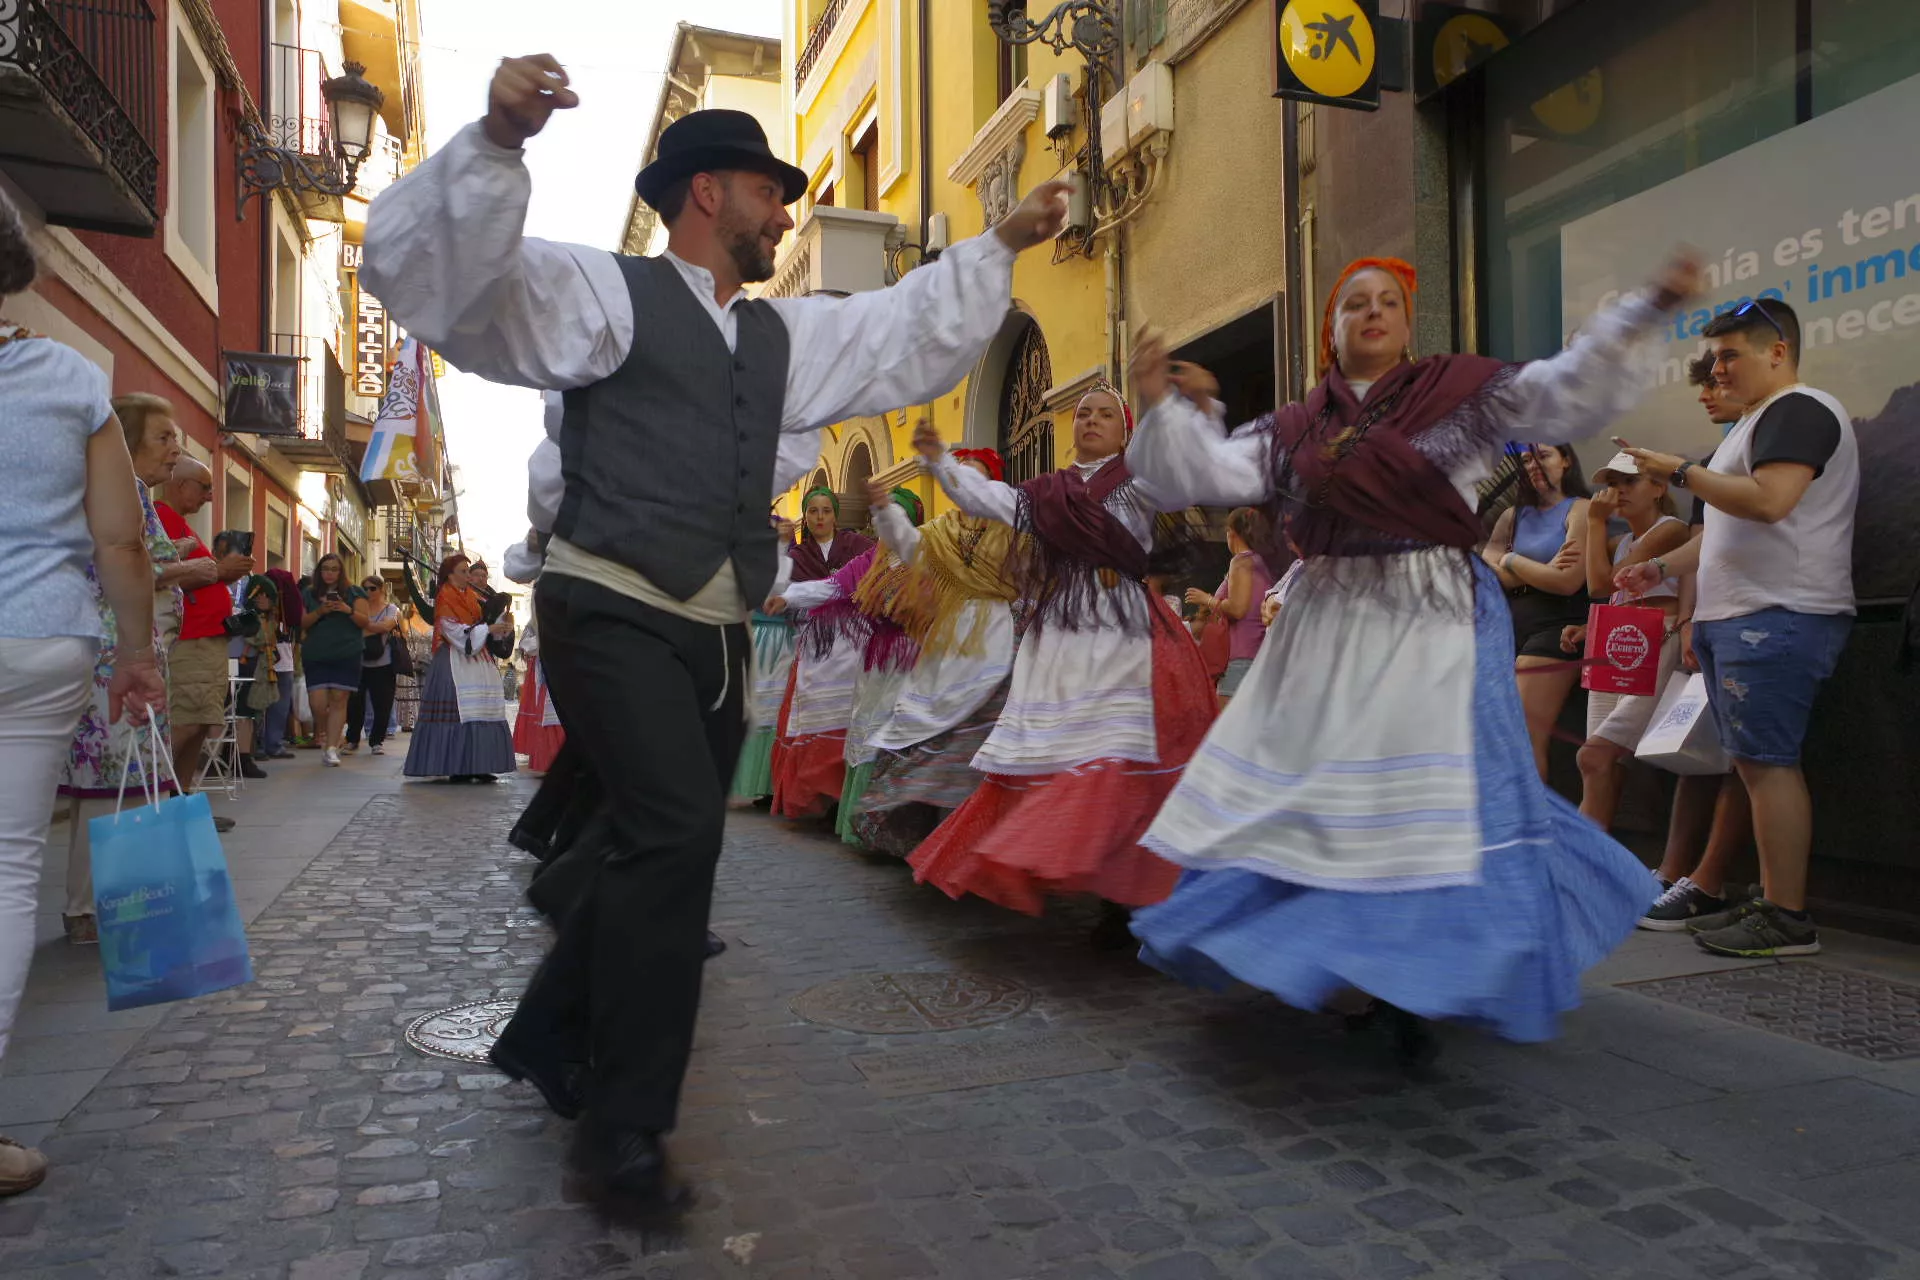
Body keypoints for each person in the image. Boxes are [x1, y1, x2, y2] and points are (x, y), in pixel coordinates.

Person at [363, 51, 1070, 1203]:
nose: (786, 213)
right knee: (678, 832)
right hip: (609, 605)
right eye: (769, 191)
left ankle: (547, 1028)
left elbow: (899, 326)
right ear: (707, 192)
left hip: (716, 628)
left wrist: (1001, 244)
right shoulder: (607, 294)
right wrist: (497, 139)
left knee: (660, 838)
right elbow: (457, 289)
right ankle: (623, 1132)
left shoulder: (781, 338)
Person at [1122, 251, 1699, 1056]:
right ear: (1331, 329)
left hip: (1432, 618)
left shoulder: (1460, 396)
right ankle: (1357, 961)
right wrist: (1161, 404)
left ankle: (1414, 982)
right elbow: (1204, 473)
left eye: (1388, 300)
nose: (1373, 311)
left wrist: (1643, 309)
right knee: (1334, 799)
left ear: (1405, 323)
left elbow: (1563, 386)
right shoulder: (1294, 429)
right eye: (1355, 302)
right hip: (1331, 626)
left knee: (1428, 795)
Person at [906, 386, 1216, 941]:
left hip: (1124, 627)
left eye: (1105, 414)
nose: (1091, 420)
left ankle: (1124, 895)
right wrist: (940, 463)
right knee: (1065, 754)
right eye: (1083, 413)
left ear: (1125, 430)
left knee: (1119, 754)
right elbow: (988, 498)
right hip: (1062, 634)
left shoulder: (1140, 481)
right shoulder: (1048, 492)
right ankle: (1084, 873)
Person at [0, 186, 165, 1195]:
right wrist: (136, 655)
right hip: (38, 637)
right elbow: (120, 540)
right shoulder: (68, 377)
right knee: (7, 866)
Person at [1616, 297, 1858, 959]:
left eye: (1729, 356)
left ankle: (1787, 917)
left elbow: (1771, 502)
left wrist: (1677, 470)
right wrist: (1658, 568)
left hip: (1778, 614)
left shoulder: (1799, 409)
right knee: (1754, 766)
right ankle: (1772, 903)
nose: (1717, 370)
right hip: (1744, 618)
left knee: (1768, 766)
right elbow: (1723, 531)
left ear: (1777, 352)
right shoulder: (1751, 425)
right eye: (1714, 357)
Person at [55, 393, 195, 945]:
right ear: (128, 442)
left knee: (117, 779)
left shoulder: (124, 492)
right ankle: (100, 906)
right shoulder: (121, 490)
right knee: (116, 778)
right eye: (163, 437)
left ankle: (100, 903)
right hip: (115, 660)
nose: (175, 448)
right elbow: (122, 563)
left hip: (119, 655)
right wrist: (188, 569)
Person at [846, 453, 1019, 857]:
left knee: (981, 738)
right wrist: (886, 510)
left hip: (998, 638)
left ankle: (977, 844)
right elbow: (909, 545)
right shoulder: (942, 531)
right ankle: (939, 843)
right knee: (935, 731)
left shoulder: (1013, 530)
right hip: (949, 642)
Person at [1638, 353, 1753, 930]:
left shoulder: (1765, 451)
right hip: (1710, 622)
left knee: (1745, 761)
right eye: (1705, 383)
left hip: (1759, 616)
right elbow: (1701, 547)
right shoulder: (1710, 465)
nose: (1709, 393)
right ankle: (1672, 871)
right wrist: (1688, 619)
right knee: (1696, 752)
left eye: (1716, 381)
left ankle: (1708, 880)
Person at [770, 484, 928, 845]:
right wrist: (788, 597)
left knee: (903, 734)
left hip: (916, 658)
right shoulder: (871, 561)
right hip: (879, 659)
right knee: (871, 731)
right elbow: (832, 587)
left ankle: (908, 827)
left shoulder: (925, 559)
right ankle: (872, 828)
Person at [1560, 452, 1691, 829]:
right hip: (1618, 642)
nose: (1618, 491)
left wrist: (1594, 521)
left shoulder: (1670, 529)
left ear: (1658, 488)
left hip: (1656, 639)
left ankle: (1582, 854)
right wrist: (1588, 629)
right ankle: (1597, 854)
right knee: (1603, 764)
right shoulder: (1621, 541)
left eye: (1629, 482)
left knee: (1593, 756)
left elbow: (1601, 585)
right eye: (1612, 484)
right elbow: (1610, 593)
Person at [1482, 442, 1592, 778]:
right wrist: (1542, 569)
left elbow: (1567, 582)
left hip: (1556, 626)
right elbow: (1487, 575)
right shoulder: (1511, 516)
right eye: (1527, 460)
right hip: (1509, 627)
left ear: (1566, 460)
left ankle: (1535, 812)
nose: (1533, 466)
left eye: (1543, 456)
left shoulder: (1581, 509)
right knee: (1497, 740)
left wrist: (1511, 559)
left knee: (1524, 740)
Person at [154, 458, 253, 825]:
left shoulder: (183, 526)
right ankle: (154, 800)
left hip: (205, 639)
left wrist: (221, 576)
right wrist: (220, 571)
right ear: (181, 485)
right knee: (186, 722)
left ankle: (180, 807)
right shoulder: (162, 518)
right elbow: (161, 575)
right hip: (190, 640)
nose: (210, 496)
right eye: (204, 487)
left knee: (198, 723)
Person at [770, 487, 873, 820]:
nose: (820, 518)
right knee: (818, 716)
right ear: (805, 516)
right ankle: (822, 796)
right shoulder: (799, 556)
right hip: (817, 646)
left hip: (854, 645)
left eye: (826, 511)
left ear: (836, 515)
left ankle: (846, 794)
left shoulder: (858, 546)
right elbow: (781, 590)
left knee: (851, 714)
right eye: (813, 511)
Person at [403, 553, 516, 783]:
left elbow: (481, 625)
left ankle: (479, 765)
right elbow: (453, 631)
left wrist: (500, 623)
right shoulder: (445, 597)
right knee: (456, 712)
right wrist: (488, 629)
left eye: (468, 571)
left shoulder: (472, 597)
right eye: (463, 572)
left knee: (480, 710)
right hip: (453, 659)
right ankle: (457, 766)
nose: (468, 576)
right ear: (450, 575)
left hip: (476, 659)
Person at [1189, 506, 1275, 707]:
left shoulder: (1241, 562)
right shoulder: (1262, 563)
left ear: (1232, 533)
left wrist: (1207, 600)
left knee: (1224, 722)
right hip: (1258, 653)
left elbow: (1237, 609)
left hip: (1240, 657)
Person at [299, 554, 370, 766]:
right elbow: (301, 622)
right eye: (325, 569)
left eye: (334, 569)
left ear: (341, 572)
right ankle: (325, 732)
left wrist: (347, 609)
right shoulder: (309, 593)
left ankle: (330, 749)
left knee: (339, 698)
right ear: (319, 571)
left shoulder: (355, 593)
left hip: (347, 652)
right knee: (317, 703)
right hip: (316, 653)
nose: (329, 573)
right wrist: (321, 611)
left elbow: (364, 621)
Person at [344, 577, 404, 756]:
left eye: (372, 588)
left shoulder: (391, 609)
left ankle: (377, 741)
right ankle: (352, 739)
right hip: (359, 661)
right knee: (355, 704)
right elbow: (351, 630)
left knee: (383, 705)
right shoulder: (358, 609)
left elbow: (386, 626)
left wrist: (363, 627)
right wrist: (375, 627)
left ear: (381, 589)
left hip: (383, 663)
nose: (368, 592)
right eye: (364, 589)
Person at [257, 567, 303, 760]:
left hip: (267, 655)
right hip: (282, 655)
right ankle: (273, 744)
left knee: (261, 703)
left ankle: (260, 745)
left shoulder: (257, 594)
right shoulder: (289, 602)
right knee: (278, 704)